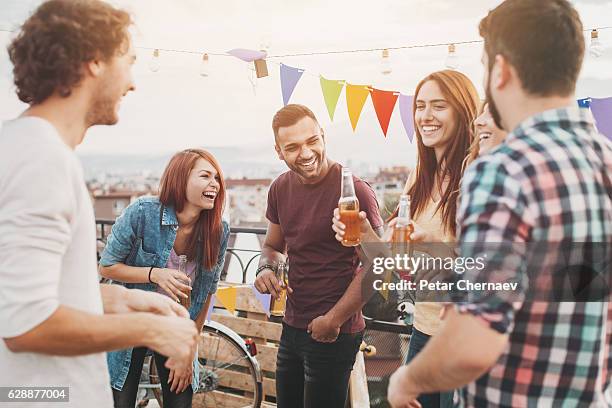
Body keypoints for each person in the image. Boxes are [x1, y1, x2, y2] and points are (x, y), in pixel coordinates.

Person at [387, 0, 612, 407]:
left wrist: (407, 379)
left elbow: (474, 342)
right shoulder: (606, 161)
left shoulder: (502, 170)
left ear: (501, 70)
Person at [0, 1, 198, 407]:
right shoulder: (42, 160)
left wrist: (122, 299)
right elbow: (25, 326)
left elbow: (29, 296)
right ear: (94, 61)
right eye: (128, 61)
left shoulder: (19, 146)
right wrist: (150, 330)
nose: (132, 83)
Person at [334, 70, 480, 408]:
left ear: (463, 110)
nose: (426, 116)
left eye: (439, 106)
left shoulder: (478, 174)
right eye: (421, 106)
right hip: (425, 329)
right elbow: (392, 261)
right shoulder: (421, 176)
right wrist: (361, 232)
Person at [253, 104, 384, 408]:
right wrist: (265, 269)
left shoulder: (355, 191)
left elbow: (380, 264)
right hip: (292, 325)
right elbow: (272, 246)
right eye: (293, 147)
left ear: (323, 136)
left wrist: (333, 320)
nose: (306, 153)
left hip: (335, 330)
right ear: (279, 151)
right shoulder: (279, 188)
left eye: (312, 141)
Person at [99, 148, 230, 408]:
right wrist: (154, 274)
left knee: (181, 400)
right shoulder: (142, 213)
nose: (214, 184)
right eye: (205, 176)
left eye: (217, 178)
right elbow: (107, 266)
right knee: (120, 400)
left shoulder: (218, 229)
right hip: (130, 319)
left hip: (176, 326)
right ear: (181, 179)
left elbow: (207, 293)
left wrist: (189, 347)